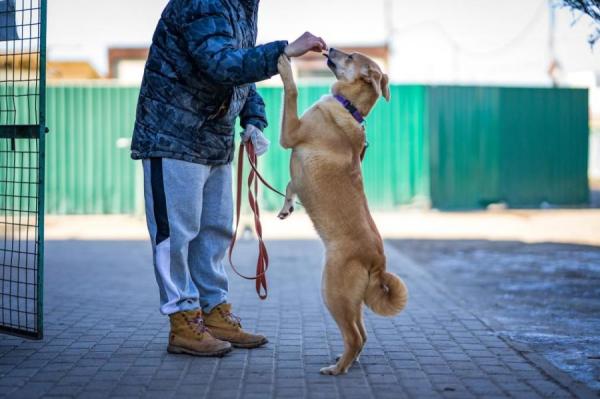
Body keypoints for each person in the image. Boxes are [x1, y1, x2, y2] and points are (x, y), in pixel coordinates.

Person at [130, 0, 327, 357]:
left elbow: (241, 75)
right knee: (175, 236)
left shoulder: (242, 8)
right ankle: (183, 321)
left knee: (215, 232)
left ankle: (215, 312)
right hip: (171, 135)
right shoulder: (203, 2)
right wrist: (284, 50)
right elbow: (219, 63)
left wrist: (254, 118)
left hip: (212, 140)